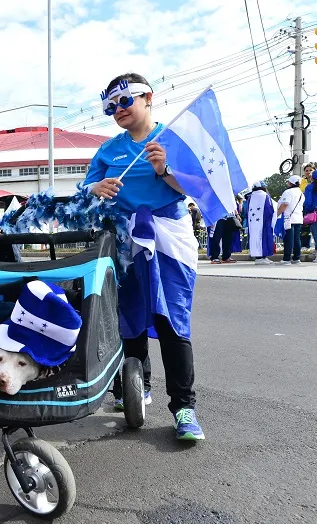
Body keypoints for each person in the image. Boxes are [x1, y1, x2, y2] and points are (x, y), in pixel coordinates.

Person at [86, 72, 204, 441]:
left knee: (172, 322)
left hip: (170, 238)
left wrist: (164, 169)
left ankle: (184, 407)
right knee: (129, 319)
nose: (117, 110)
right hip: (124, 241)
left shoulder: (171, 139)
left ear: (147, 98)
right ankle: (137, 389)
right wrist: (96, 187)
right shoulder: (108, 150)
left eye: (124, 101)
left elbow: (198, 188)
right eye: (110, 106)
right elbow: (85, 189)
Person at [245, 181, 276, 265]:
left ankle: (258, 257)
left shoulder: (250, 197)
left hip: (253, 222)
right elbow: (269, 209)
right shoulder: (265, 195)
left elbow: (246, 211)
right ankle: (262, 257)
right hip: (264, 221)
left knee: (255, 238)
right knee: (264, 237)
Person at [276, 175, 304, 265]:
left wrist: (277, 214)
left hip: (289, 218)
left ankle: (286, 259)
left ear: (290, 183)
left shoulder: (288, 192)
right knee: (296, 239)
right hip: (298, 218)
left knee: (288, 239)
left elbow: (284, 205)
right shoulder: (301, 193)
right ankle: (296, 258)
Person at [302, 170, 317, 250]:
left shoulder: (310, 187)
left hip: (314, 213)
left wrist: (308, 210)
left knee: (316, 234)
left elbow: (308, 202)